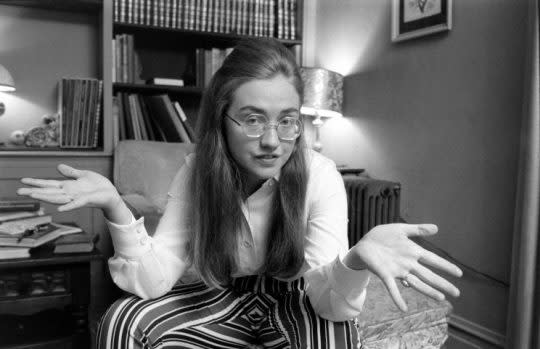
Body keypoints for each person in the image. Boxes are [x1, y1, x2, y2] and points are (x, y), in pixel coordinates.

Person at [17, 38, 462, 349]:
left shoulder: (320, 175)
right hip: (220, 294)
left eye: (287, 120)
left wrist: (356, 260)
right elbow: (152, 283)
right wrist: (115, 204)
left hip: (296, 298)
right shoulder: (198, 171)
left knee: (336, 337)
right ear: (221, 120)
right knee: (121, 320)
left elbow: (330, 305)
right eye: (252, 119)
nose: (273, 140)